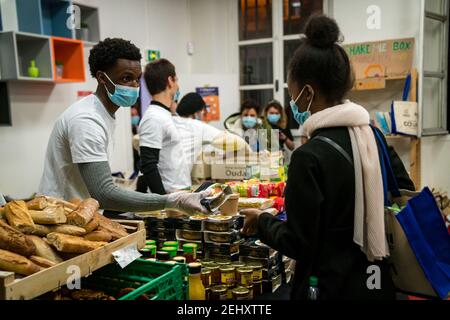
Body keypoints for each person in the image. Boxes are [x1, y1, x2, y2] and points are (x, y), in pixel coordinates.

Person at [240, 15, 415, 300]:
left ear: (307, 92)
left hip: (329, 287)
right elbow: (403, 201)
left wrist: (262, 221)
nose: (291, 100)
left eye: (292, 91)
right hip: (379, 284)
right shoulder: (375, 137)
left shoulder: (308, 157)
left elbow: (298, 242)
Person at [38, 38, 208, 214]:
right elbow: (103, 193)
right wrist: (173, 201)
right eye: (126, 78)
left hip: (81, 212)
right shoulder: (86, 120)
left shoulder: (104, 113)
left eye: (137, 79)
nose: (134, 86)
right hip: (59, 214)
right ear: (102, 78)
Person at [137, 59, 191, 195]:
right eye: (176, 80)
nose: (178, 86)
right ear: (170, 81)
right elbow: (148, 165)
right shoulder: (154, 118)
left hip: (178, 194)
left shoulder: (164, 114)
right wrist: (163, 202)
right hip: (169, 197)